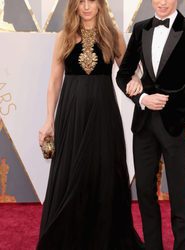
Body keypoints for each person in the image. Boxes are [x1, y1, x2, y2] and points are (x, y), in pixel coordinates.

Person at [37, 0, 144, 249]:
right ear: (74, 6)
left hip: (104, 114)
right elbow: (54, 82)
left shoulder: (113, 36)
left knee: (104, 169)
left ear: (100, 5)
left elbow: (127, 71)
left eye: (91, 1)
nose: (86, 6)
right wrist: (48, 119)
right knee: (73, 172)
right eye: (81, 1)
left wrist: (137, 81)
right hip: (71, 114)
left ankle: (105, 237)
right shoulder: (64, 37)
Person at [116, 0, 185, 249]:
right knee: (144, 191)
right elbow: (122, 75)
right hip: (143, 126)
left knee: (178, 193)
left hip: (176, 126)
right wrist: (141, 97)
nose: (162, 2)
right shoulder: (140, 29)